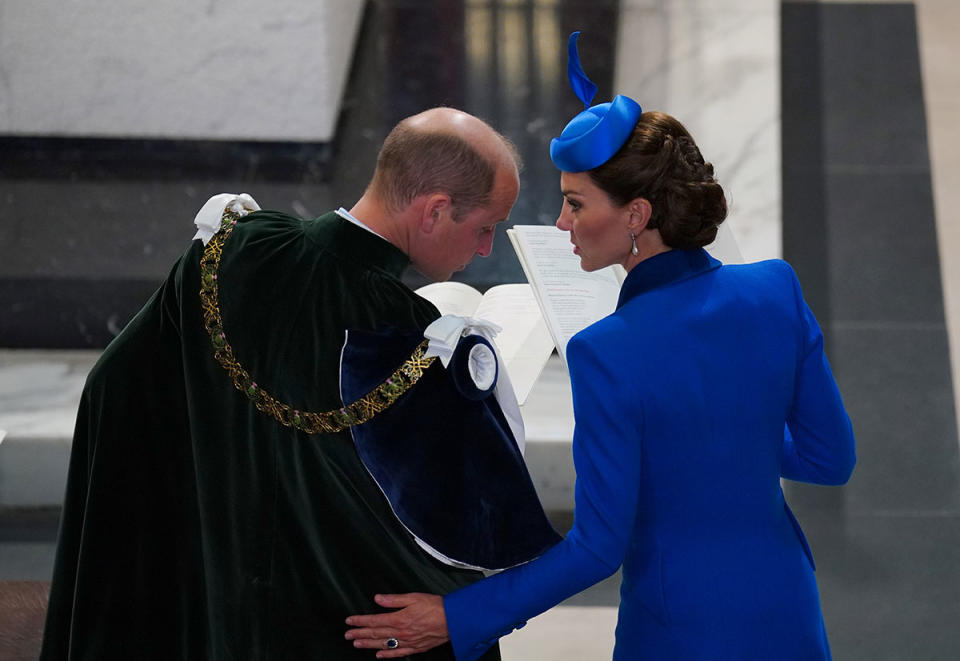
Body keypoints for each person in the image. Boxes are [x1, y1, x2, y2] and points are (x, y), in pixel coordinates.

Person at [344, 33, 856, 660]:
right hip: (787, 608)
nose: (560, 224)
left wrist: (458, 616)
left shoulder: (606, 352)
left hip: (677, 632)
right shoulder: (776, 288)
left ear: (637, 215)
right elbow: (831, 459)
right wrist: (724, 431)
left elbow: (597, 547)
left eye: (574, 203)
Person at [39, 107, 526, 660]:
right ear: (435, 210)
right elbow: (469, 536)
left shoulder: (232, 249)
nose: (485, 248)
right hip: (340, 626)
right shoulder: (415, 341)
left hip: (213, 598)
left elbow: (114, 385)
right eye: (486, 227)